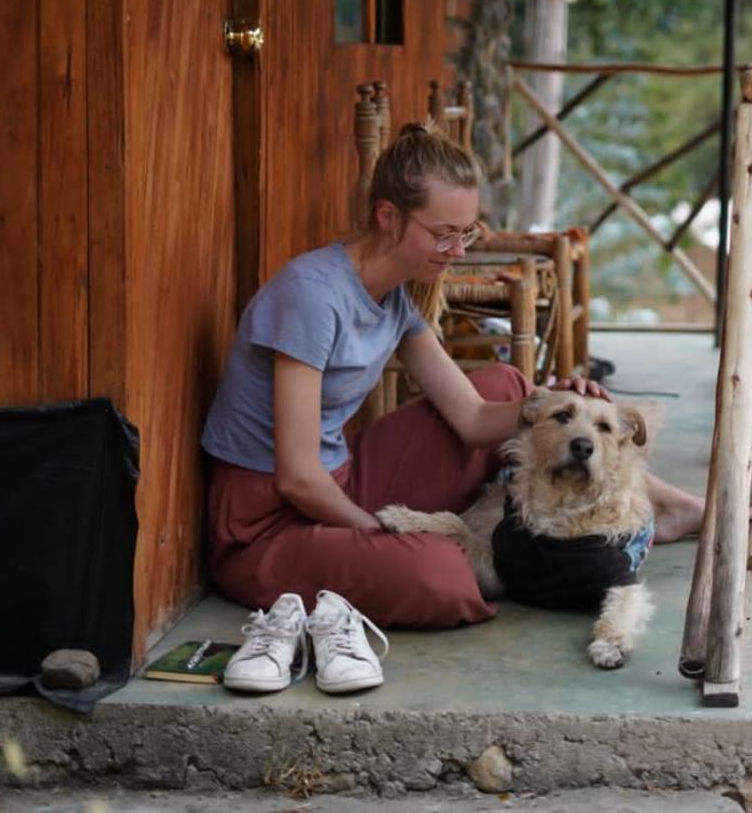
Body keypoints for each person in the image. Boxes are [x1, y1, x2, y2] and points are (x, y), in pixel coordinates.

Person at [199, 122, 710, 694]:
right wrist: (378, 536)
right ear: (389, 217)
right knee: (445, 573)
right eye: (444, 233)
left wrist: (553, 405)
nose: (460, 250)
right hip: (266, 520)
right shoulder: (311, 297)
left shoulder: (393, 294)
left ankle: (662, 508)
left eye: (467, 231)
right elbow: (296, 478)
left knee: (508, 389)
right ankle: (556, 536)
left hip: (338, 478)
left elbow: (471, 416)